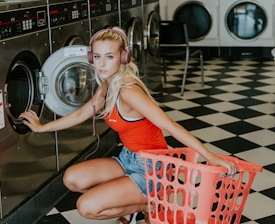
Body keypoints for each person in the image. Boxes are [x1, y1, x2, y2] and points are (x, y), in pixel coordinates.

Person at [19, 27, 237, 224]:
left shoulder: (129, 91)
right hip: (128, 158)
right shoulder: (107, 83)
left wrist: (212, 157)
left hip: (153, 168)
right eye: (96, 56)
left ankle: (153, 204)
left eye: (109, 57)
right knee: (72, 179)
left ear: (123, 58)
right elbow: (82, 113)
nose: (101, 64)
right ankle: (133, 203)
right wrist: (41, 126)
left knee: (86, 207)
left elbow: (171, 126)